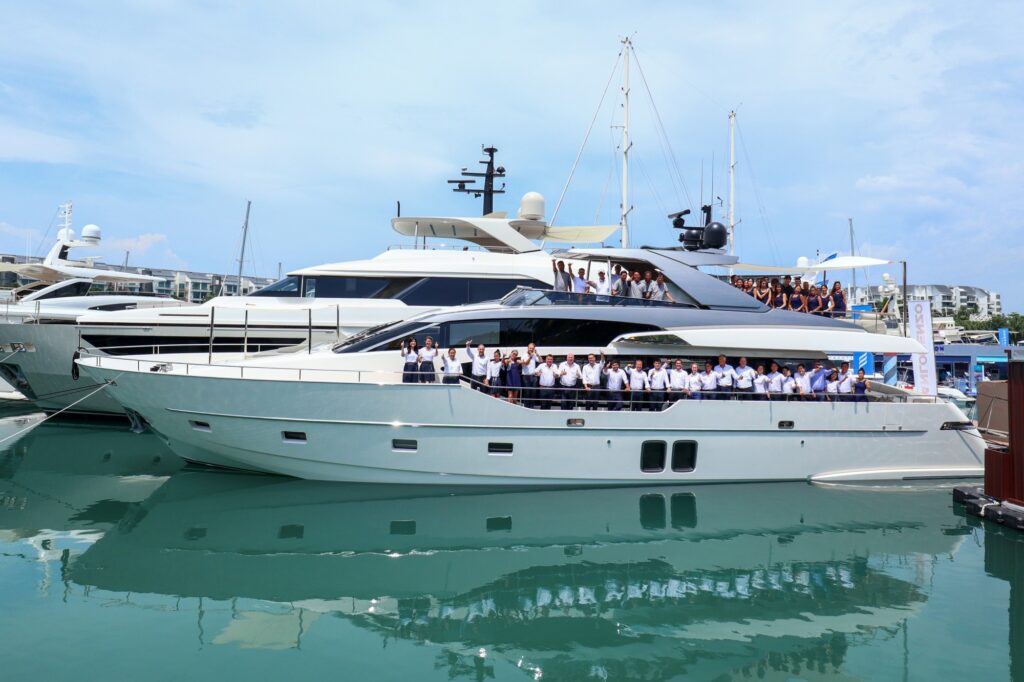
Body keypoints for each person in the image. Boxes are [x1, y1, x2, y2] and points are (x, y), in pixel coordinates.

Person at [522, 343, 541, 407]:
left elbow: (541, 361)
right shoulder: (524, 355)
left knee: (533, 392)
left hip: (533, 376)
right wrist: (530, 356)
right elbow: (525, 364)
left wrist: (537, 354)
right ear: (528, 348)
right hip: (526, 376)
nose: (531, 349)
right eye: (530, 348)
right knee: (527, 392)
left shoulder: (534, 355)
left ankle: (531, 407)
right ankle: (526, 407)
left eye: (532, 348)